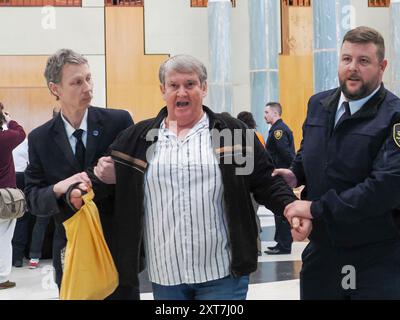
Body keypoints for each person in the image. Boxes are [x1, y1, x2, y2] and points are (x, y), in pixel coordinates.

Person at [70, 54, 297, 300]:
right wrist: (95, 182)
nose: (182, 93)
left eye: (190, 84)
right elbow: (100, 180)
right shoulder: (137, 138)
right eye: (174, 86)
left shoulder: (231, 134)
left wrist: (290, 206)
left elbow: (265, 181)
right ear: (162, 90)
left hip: (222, 274)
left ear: (204, 88)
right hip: (166, 277)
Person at [275, 26, 400, 299]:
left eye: (363, 61)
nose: (352, 68)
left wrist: (314, 209)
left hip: (375, 258)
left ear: (382, 66)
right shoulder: (319, 104)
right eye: (346, 59)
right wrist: (296, 174)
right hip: (323, 254)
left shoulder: (395, 117)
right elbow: (309, 148)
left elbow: (385, 188)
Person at [24, 49, 134, 298]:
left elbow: (138, 178)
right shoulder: (40, 139)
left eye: (88, 78)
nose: (87, 87)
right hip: (72, 255)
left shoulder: (119, 122)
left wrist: (122, 176)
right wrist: (59, 188)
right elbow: (33, 200)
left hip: (117, 250)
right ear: (55, 89)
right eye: (76, 82)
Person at [263, 102, 295, 255]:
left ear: (275, 113)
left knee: (283, 211)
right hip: (280, 175)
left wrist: (289, 171)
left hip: (281, 175)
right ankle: (281, 242)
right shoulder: (277, 129)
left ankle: (284, 244)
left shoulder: (278, 131)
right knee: (280, 211)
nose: (265, 115)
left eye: (267, 112)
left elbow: (286, 153)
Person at [0, 103, 26, 289]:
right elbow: (20, 132)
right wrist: (7, 118)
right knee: (4, 238)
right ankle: (1, 278)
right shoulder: (4, 138)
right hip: (4, 197)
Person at [237, 111, 265, 256]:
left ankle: (255, 246)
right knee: (253, 214)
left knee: (249, 216)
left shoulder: (241, 138)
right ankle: (256, 244)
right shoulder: (258, 136)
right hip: (256, 182)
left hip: (246, 183)